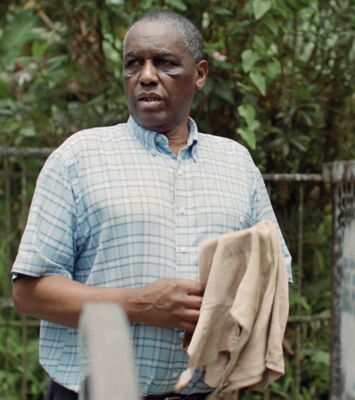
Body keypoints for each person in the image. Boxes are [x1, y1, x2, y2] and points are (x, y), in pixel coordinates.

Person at [11, 10, 292, 399]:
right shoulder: (79, 157)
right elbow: (29, 292)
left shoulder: (236, 163)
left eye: (164, 62)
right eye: (133, 64)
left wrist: (222, 315)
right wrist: (140, 304)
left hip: (204, 392)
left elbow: (276, 274)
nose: (145, 76)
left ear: (200, 74)